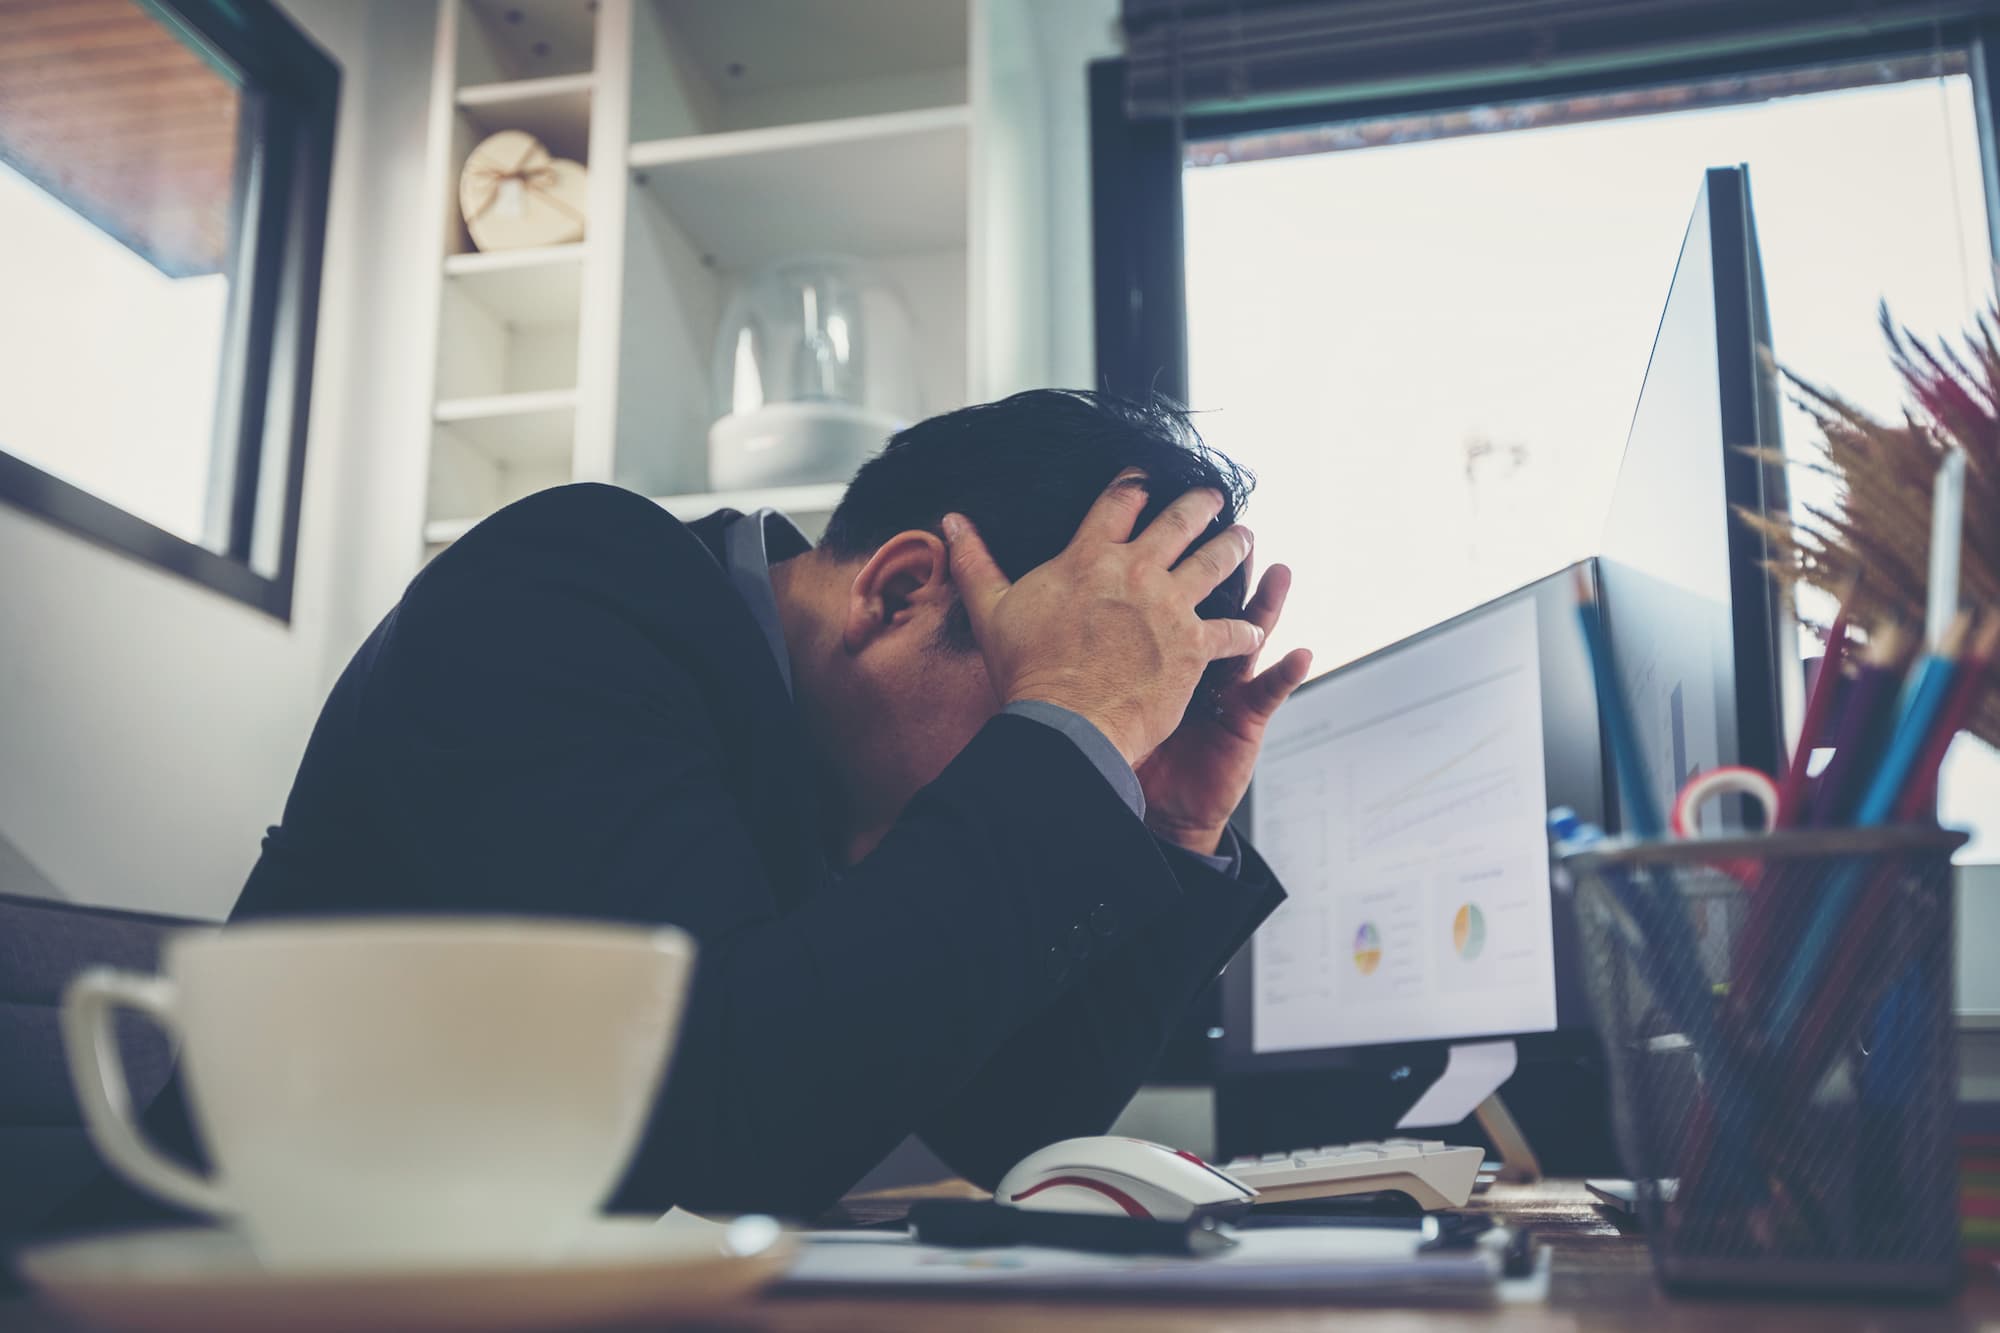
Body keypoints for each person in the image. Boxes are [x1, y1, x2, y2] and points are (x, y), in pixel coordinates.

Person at [97, 389, 1315, 1224]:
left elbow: (981, 1130)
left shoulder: (824, 763)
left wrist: (1159, 828)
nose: (1064, 746)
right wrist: (1071, 733)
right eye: (1035, 696)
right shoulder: (570, 591)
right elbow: (726, 1113)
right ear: (897, 593)